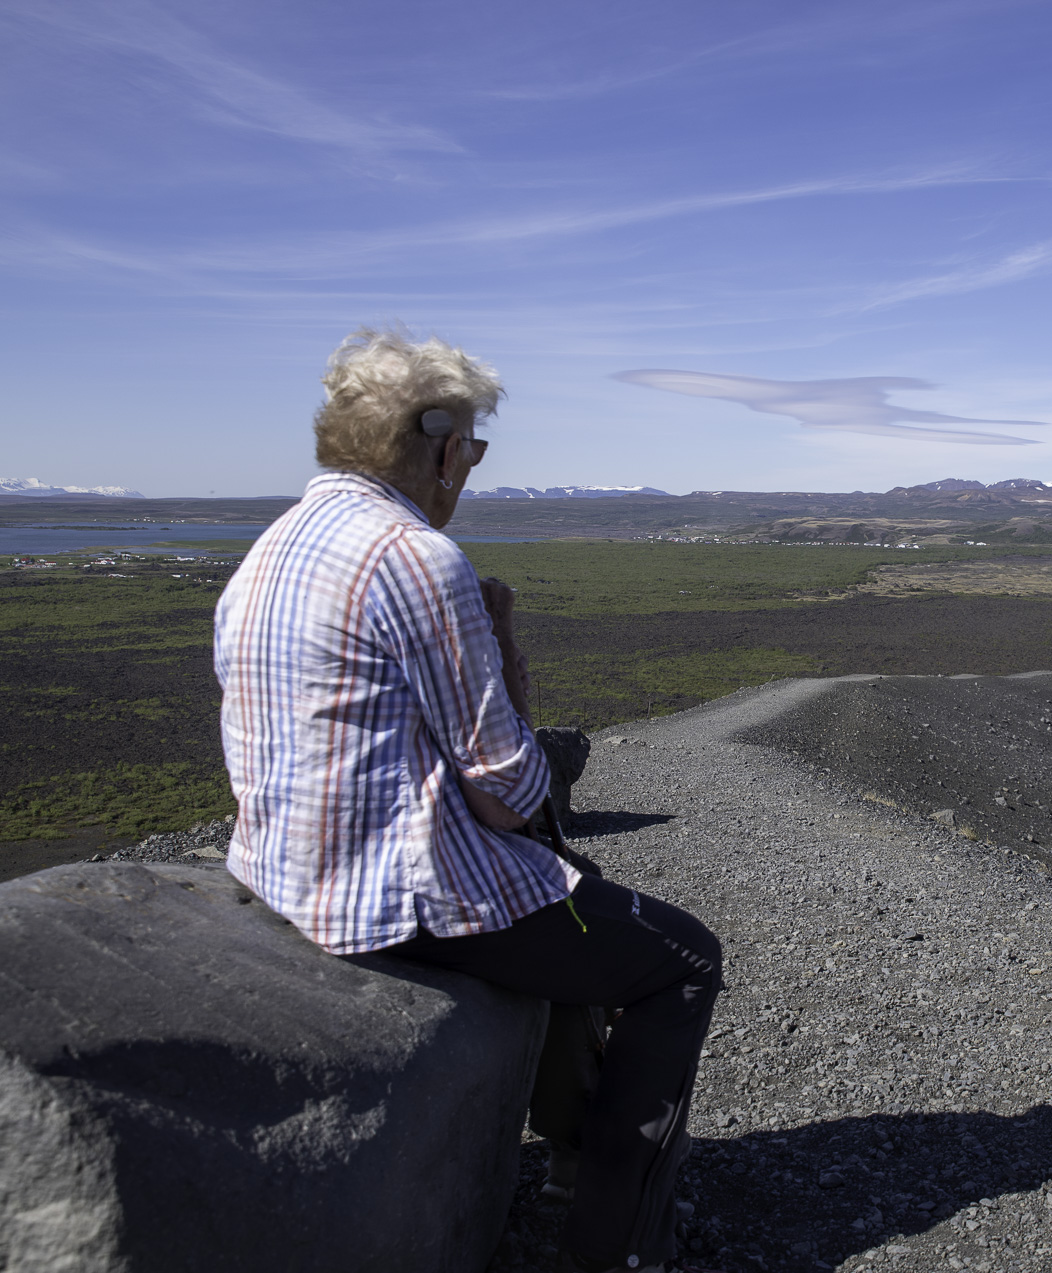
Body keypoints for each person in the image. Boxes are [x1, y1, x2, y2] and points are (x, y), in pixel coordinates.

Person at [214, 326, 721, 1273]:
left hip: (281, 864)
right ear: (443, 447)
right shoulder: (414, 557)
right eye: (473, 451)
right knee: (682, 956)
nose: (470, 470)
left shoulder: (273, 545)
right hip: (381, 893)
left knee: (570, 892)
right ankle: (621, 1247)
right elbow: (504, 788)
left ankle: (573, 1155)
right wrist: (510, 673)